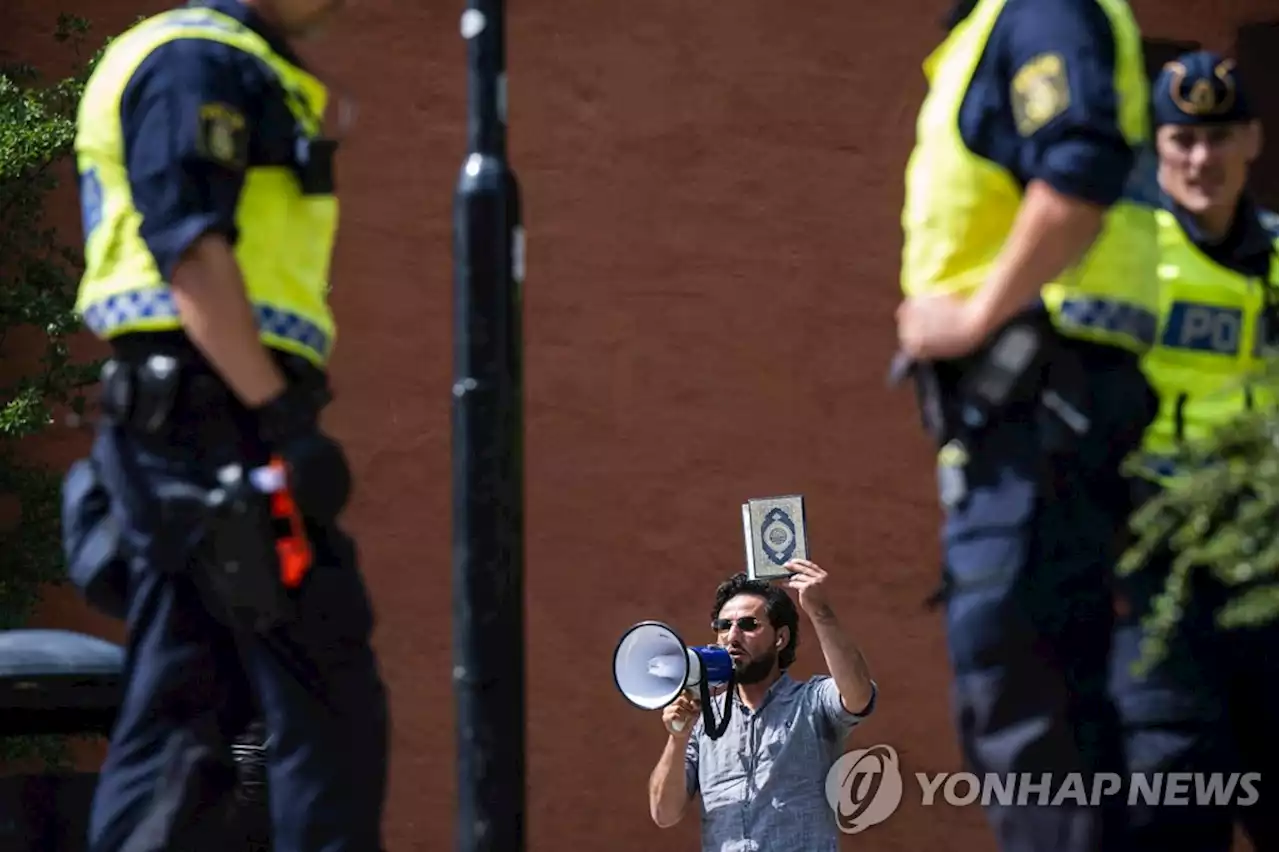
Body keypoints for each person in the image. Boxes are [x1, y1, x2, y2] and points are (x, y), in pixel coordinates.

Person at [63, 1, 389, 851]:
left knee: (188, 707)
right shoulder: (193, 60)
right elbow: (192, 252)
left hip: (202, 422)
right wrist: (280, 420)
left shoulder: (237, 59)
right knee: (322, 692)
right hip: (217, 423)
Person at [892, 0, 1161, 850]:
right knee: (1045, 717)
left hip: (1041, 420)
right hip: (1026, 425)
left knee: (1036, 716)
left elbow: (1077, 175)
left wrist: (972, 320)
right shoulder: (986, 34)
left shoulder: (1042, 12)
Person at [1108, 50, 1280, 852]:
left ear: (1251, 138)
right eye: (1181, 139)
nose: (1200, 159)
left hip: (1267, 582)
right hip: (1158, 587)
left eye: (1217, 138)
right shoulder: (1121, 256)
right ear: (1157, 144)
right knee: (1170, 810)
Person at [647, 560, 877, 852]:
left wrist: (820, 612)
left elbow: (858, 696)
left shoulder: (811, 701)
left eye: (748, 625)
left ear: (780, 638)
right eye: (723, 625)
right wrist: (677, 738)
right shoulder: (703, 719)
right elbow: (664, 814)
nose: (732, 636)